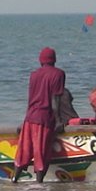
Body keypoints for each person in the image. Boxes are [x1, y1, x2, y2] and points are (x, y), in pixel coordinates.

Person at [12, 47, 65, 183]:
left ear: (41, 60)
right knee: (41, 153)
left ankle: (14, 179)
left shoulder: (34, 75)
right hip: (44, 119)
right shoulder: (58, 74)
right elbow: (55, 100)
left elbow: (31, 99)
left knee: (24, 151)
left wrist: (24, 120)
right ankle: (39, 183)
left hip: (30, 118)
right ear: (54, 60)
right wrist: (59, 120)